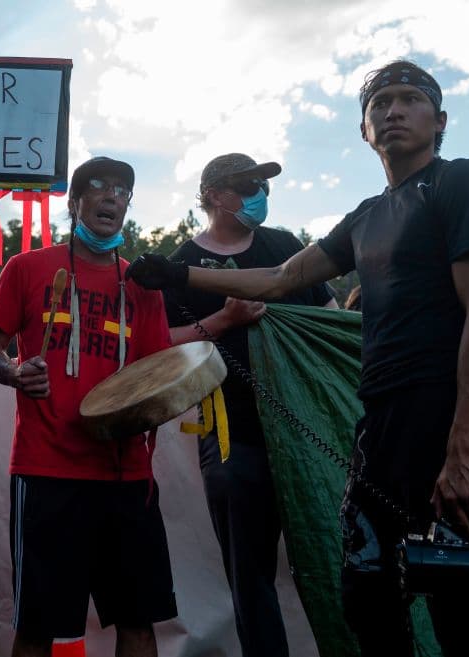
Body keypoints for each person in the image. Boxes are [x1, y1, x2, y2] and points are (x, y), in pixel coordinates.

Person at [127, 60, 469, 656]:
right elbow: (282, 277)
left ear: (439, 120)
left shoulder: (460, 182)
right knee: (368, 593)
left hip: (445, 412)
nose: (393, 110)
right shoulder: (367, 215)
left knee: (461, 603)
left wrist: (465, 449)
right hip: (378, 422)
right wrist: (180, 274)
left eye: (410, 99)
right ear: (364, 129)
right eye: (380, 103)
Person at [0, 156, 177, 657]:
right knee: (37, 627)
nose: (112, 196)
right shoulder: (27, 268)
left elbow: (156, 373)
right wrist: (13, 372)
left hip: (127, 475)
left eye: (122, 190)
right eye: (99, 186)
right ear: (75, 202)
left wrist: (177, 391)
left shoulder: (142, 285)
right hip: (47, 470)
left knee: (138, 623)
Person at [163, 152, 337, 657]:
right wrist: (224, 321)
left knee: (331, 555)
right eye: (248, 185)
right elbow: (161, 343)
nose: (261, 193)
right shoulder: (181, 265)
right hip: (231, 433)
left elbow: (330, 315)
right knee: (251, 573)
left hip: (306, 429)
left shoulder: (285, 246)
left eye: (265, 185)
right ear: (213, 195)